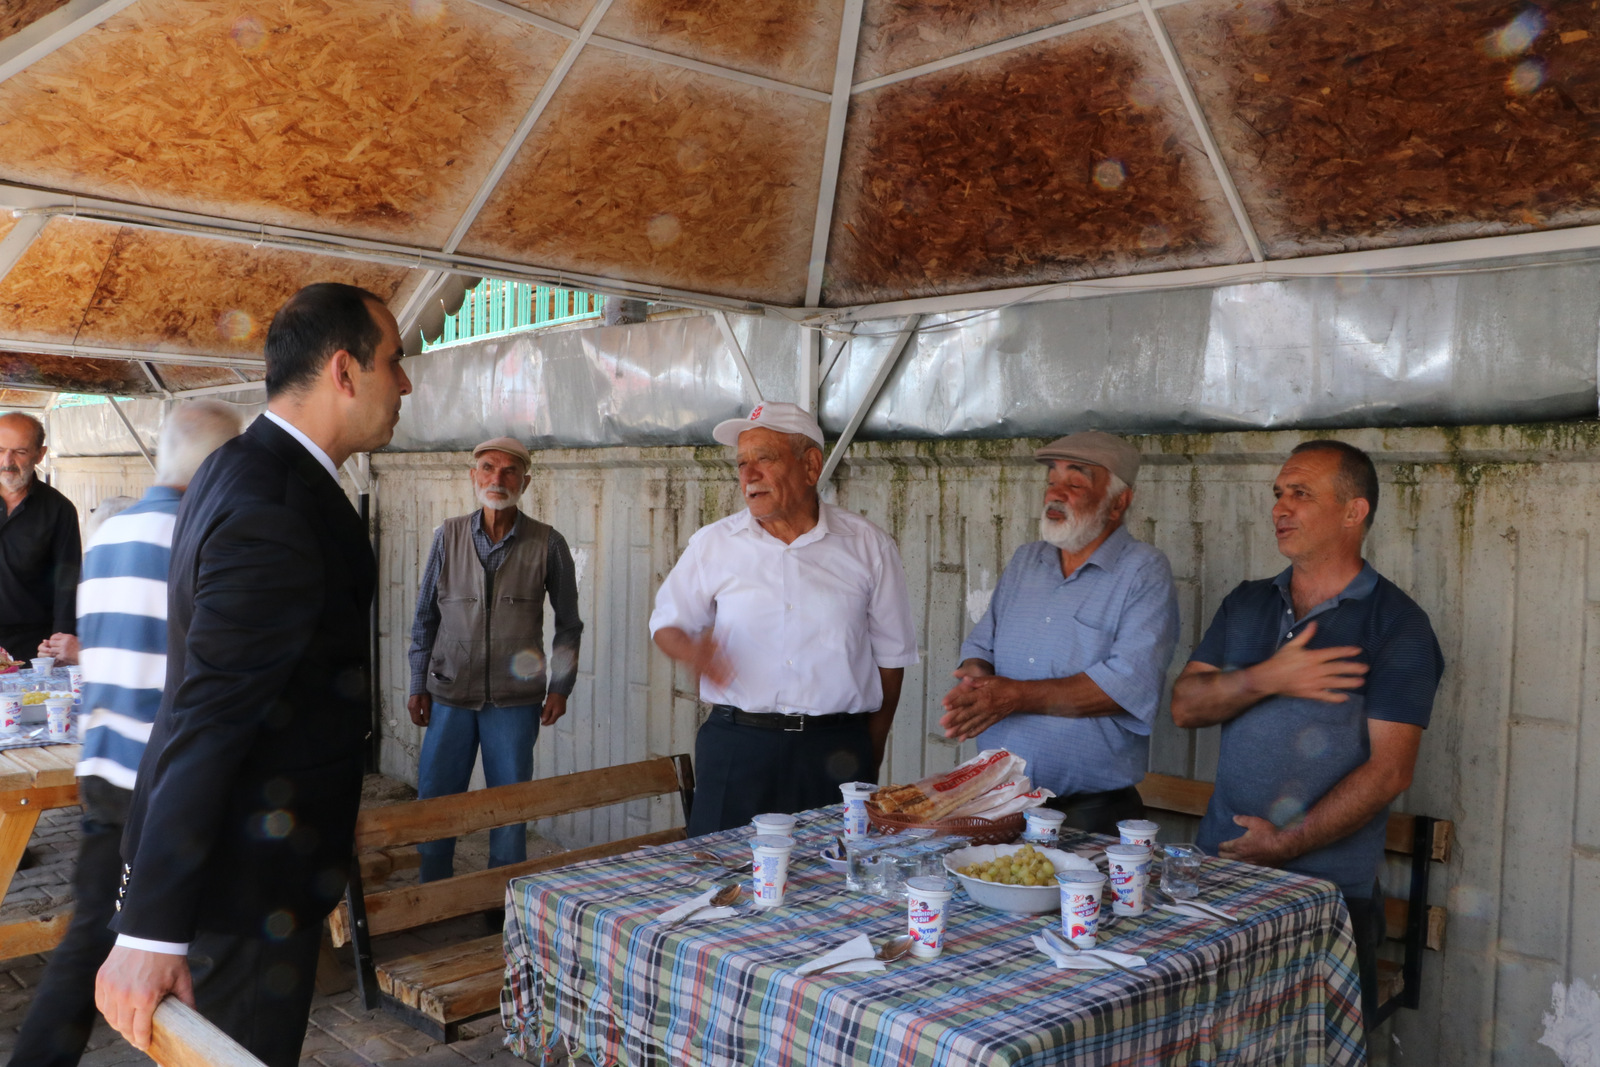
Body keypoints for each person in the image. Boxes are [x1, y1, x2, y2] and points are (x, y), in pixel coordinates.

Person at [94, 283, 412, 1067]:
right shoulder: (272, 501)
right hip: (241, 890)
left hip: (257, 873)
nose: (405, 384)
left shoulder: (244, 466)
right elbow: (210, 713)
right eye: (396, 363)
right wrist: (150, 926)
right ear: (344, 370)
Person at [1170, 439, 1443, 1026]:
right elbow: (1185, 707)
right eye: (1277, 494)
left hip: (1326, 899)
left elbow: (1391, 770)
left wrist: (1287, 843)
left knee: (1316, 1050)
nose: (1280, 508)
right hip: (1219, 880)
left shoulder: (1397, 624)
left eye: (1300, 493)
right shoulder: (1247, 604)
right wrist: (1270, 676)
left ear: (1354, 511)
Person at [9, 401, 243, 1067]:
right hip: (167, 786)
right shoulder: (208, 538)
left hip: (106, 772)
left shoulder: (112, 534)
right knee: (207, 957)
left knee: (90, 942)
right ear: (221, 464)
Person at [649, 402, 919, 836]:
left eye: (764, 458)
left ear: (810, 465)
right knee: (720, 881)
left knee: (830, 883)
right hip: (738, 744)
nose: (748, 474)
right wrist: (692, 650)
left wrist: (871, 750)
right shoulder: (714, 544)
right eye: (741, 463)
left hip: (834, 749)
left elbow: (892, 657)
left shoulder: (869, 546)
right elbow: (666, 623)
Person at [940, 431, 1179, 834]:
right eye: (1052, 481)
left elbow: (1125, 687)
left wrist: (1012, 697)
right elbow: (982, 645)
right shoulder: (1026, 560)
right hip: (1000, 801)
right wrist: (976, 680)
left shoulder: (1143, 571)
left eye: (1075, 482)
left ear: (1119, 501)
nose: (1055, 494)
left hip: (1089, 813)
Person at [406, 436, 583, 883]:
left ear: (525, 481)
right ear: (473, 476)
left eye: (508, 472)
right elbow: (425, 616)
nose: (496, 479)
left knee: (509, 806)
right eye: (487, 468)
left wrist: (560, 686)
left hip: (514, 700)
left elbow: (568, 625)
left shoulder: (549, 543)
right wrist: (416, 682)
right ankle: (434, 891)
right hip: (449, 693)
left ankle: (499, 901)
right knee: (438, 801)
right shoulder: (446, 537)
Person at [0, 412, 79, 664]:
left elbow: (66, 585)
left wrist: (60, 647)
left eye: (20, 452)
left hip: (31, 649)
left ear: (40, 454)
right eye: (0, 450)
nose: (7, 461)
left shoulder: (59, 510)